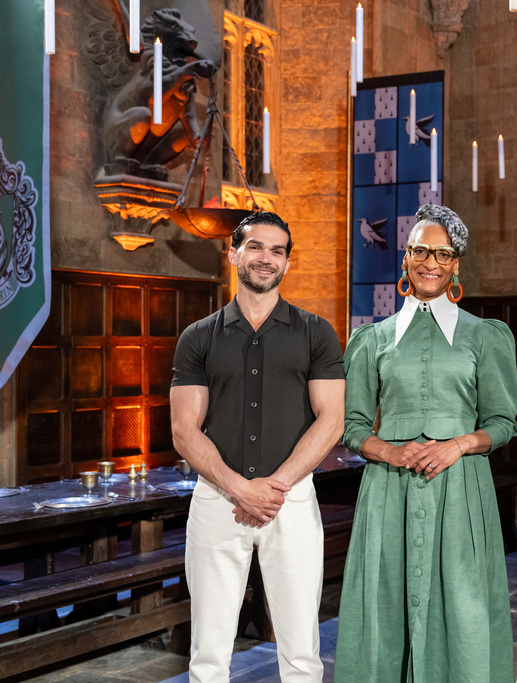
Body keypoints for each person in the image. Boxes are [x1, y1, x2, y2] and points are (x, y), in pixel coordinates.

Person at [335, 204, 517, 682]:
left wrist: (458, 445)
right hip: (388, 492)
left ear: (456, 264)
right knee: (385, 607)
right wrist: (390, 451)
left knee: (463, 607)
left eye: (443, 253)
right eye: (420, 251)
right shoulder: (371, 339)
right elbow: (353, 425)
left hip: (460, 491)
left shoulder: (485, 336)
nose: (430, 262)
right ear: (405, 259)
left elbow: (503, 422)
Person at [170, 211, 346, 682]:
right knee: (208, 653)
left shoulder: (316, 333)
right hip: (217, 501)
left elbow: (332, 420)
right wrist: (239, 487)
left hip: (291, 501)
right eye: (255, 246)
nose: (266, 258)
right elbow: (184, 430)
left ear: (288, 263)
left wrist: (273, 488)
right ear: (233, 254)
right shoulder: (198, 337)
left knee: (302, 650)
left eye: (277, 250)